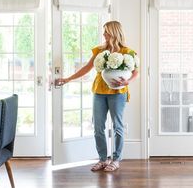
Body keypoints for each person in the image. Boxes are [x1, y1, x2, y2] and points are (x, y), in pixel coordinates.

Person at [56, 21, 138, 172]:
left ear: (114, 33)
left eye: (106, 31)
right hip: (99, 91)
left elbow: (135, 72)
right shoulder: (99, 51)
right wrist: (68, 79)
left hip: (118, 92)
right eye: (104, 31)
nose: (104, 34)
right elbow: (87, 68)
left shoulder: (128, 52)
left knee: (117, 126)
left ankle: (116, 159)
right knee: (98, 127)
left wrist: (128, 81)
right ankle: (102, 159)